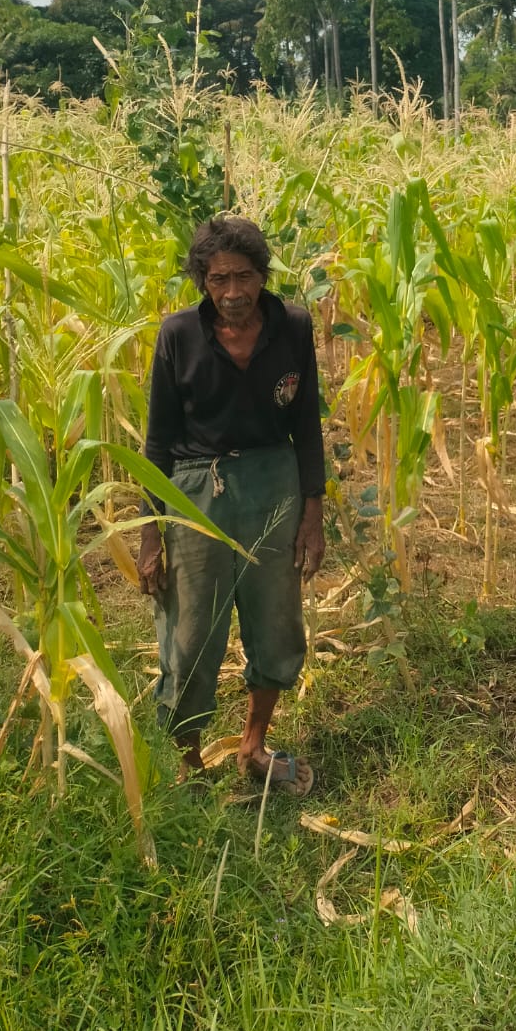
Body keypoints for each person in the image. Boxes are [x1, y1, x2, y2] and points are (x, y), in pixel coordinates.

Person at [137, 215, 326, 792]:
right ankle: (189, 761)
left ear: (263, 276)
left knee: (276, 624)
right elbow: (158, 441)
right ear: (203, 281)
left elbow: (306, 426)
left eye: (244, 276)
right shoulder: (178, 336)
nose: (234, 292)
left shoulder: (293, 326)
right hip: (198, 492)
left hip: (274, 484)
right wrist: (151, 532)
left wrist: (313, 515)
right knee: (191, 635)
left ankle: (253, 746)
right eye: (219, 279)